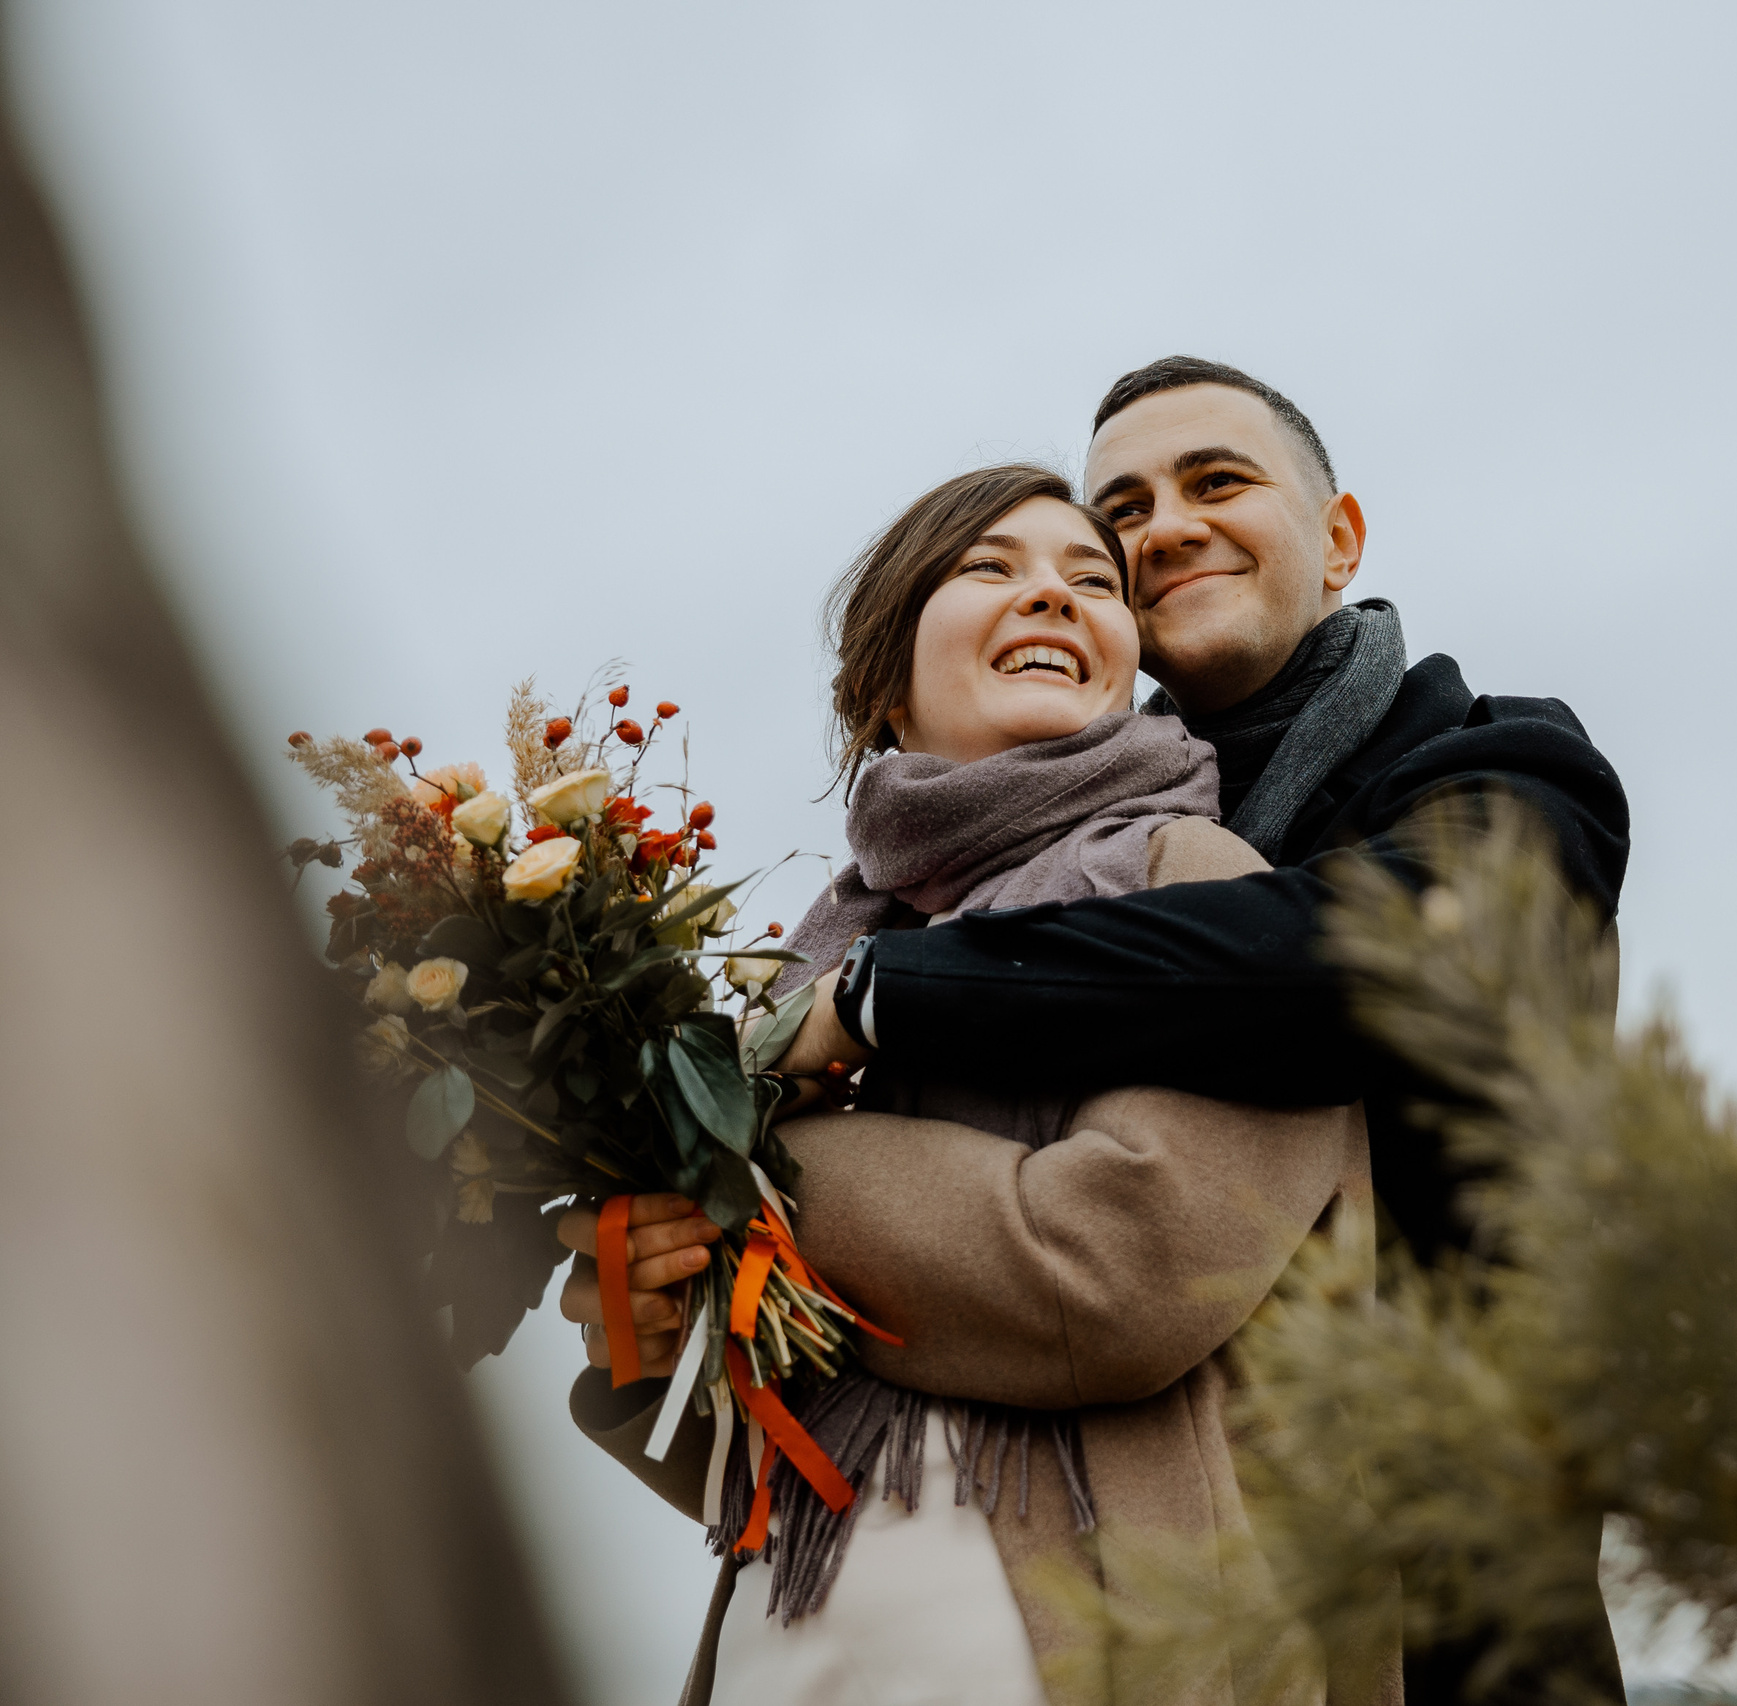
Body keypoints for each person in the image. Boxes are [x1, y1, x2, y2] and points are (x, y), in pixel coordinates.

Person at [770, 358, 1632, 1704]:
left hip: (1450, 1603)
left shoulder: (1501, 768)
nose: (1166, 523)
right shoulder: (1060, 851)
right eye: (1125, 510)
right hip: (1104, 1578)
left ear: (1340, 538)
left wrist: (866, 1025)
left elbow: (1362, 964)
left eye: (1218, 481)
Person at [560, 463, 1393, 1706]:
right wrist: (651, 1322)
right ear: (886, 678)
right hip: (790, 1650)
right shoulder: (817, 953)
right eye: (991, 568)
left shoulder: (1199, 886)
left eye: (1091, 580)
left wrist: (745, 1168)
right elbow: (786, 1439)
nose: (1052, 596)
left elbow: (1115, 1273)